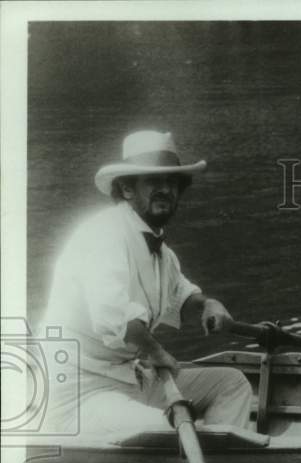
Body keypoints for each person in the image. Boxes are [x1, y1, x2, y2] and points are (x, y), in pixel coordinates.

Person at [44, 130, 252, 438]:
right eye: (154, 182)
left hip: (130, 379)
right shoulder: (105, 234)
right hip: (78, 394)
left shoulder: (160, 251)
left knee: (232, 384)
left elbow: (180, 293)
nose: (166, 190)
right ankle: (200, 453)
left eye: (172, 183)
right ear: (127, 189)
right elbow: (110, 314)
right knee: (167, 432)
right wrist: (156, 351)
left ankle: (219, 460)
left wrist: (208, 303)